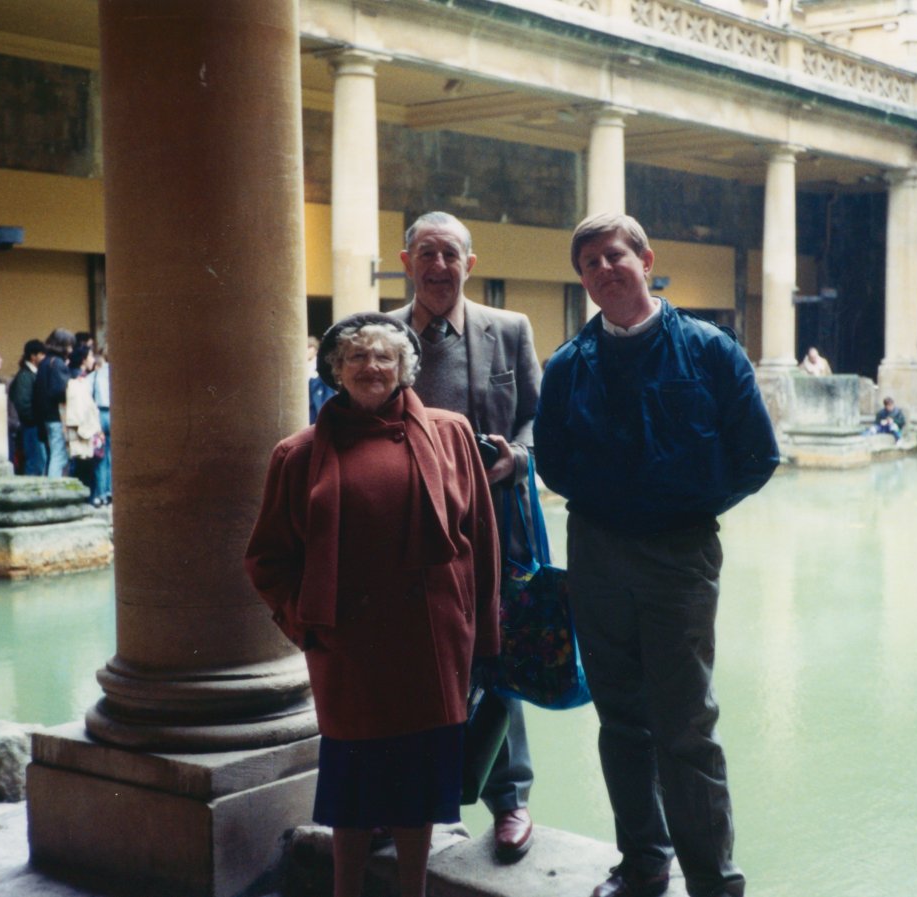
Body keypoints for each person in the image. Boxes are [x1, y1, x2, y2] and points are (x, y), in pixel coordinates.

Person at [535, 214, 778, 897]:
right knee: (620, 718)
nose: (605, 270)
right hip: (598, 553)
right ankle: (644, 862)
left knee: (686, 724)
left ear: (646, 258)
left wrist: (684, 503)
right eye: (590, 264)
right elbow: (553, 461)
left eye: (615, 255)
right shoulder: (567, 365)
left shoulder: (709, 351)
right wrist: (616, 500)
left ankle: (713, 881)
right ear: (583, 280)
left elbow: (758, 455)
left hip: (680, 556)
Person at [244, 312, 499, 897]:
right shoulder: (297, 454)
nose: (371, 367)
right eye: (356, 357)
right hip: (348, 651)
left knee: (419, 788)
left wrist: (480, 635)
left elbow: (481, 542)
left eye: (384, 357)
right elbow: (266, 560)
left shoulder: (452, 433)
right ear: (336, 370)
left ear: (405, 367)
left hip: (432, 646)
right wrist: (305, 625)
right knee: (352, 794)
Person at [387, 210, 543, 862]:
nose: (439, 265)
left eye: (451, 253)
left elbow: (539, 420)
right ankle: (397, 803)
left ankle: (508, 799)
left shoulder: (509, 330)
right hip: (404, 531)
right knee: (404, 665)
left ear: (469, 264)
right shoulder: (379, 335)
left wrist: (519, 459)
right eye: (427, 251)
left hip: (494, 527)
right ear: (406, 261)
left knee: (496, 660)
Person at [33, 328, 76, 477]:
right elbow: (59, 391)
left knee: (53, 455)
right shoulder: (57, 363)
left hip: (46, 416)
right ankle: (55, 490)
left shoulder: (44, 362)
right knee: (59, 456)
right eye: (69, 345)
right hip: (56, 416)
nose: (70, 349)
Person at [64, 344, 104, 498]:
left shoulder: (80, 377)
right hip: (83, 429)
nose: (92, 359)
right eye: (90, 356)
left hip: (86, 427)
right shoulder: (76, 380)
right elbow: (79, 408)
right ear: (83, 360)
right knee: (84, 468)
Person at [9, 339, 48, 476]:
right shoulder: (25, 376)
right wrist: (34, 418)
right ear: (33, 356)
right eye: (41, 354)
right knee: (35, 462)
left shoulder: (29, 374)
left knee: (37, 461)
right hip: (31, 426)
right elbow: (22, 403)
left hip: (33, 424)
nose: (44, 358)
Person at [90, 345, 112, 505]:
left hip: (98, 414)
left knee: (100, 456)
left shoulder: (96, 374)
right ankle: (112, 490)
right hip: (114, 414)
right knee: (114, 456)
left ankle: (100, 493)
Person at [307, 336, 335, 424]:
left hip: (319, 405)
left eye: (309, 347)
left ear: (315, 350)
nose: (306, 351)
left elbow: (328, 393)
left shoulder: (321, 368)